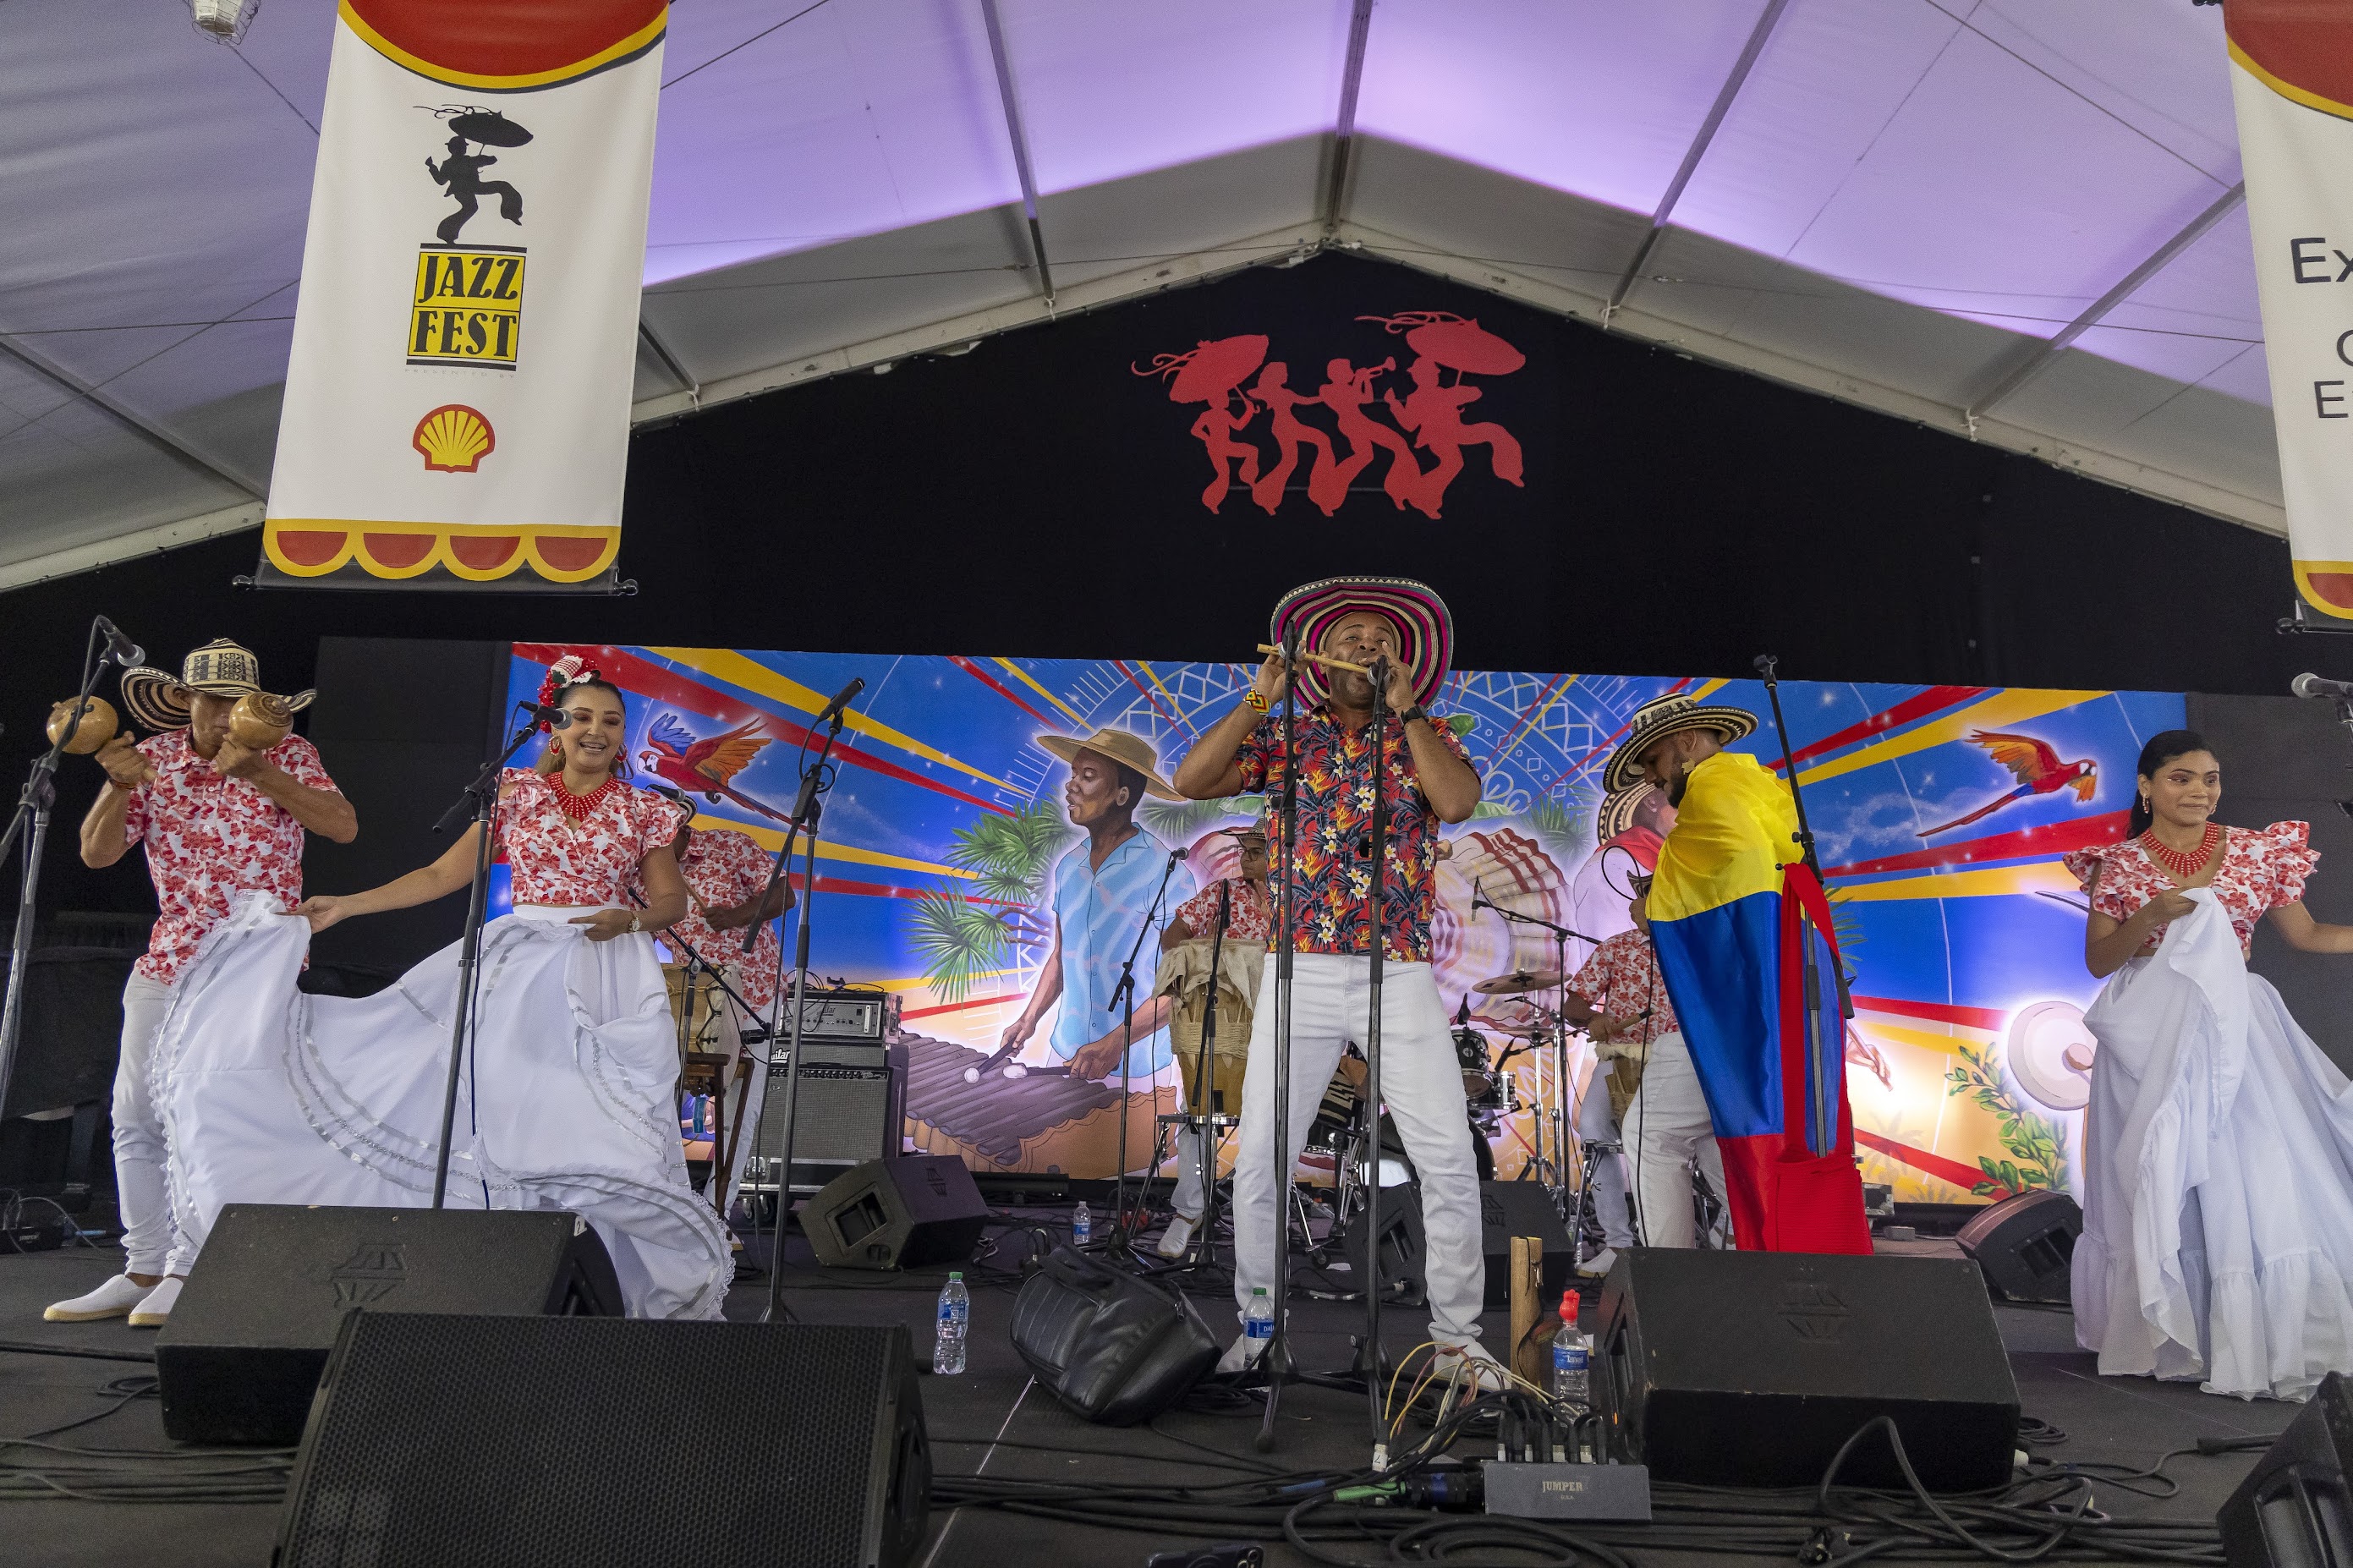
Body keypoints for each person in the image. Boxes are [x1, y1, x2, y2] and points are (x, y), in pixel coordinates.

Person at [136, 656, 731, 1320]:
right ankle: (516, 1280)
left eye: (611, 721)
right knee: (506, 1116)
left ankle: (618, 1287)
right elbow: (439, 875)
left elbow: (672, 904)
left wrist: (634, 919)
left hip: (605, 969)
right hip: (520, 970)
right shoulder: (513, 794)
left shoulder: (644, 809)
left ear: (624, 735)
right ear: (554, 730)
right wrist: (348, 906)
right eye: (581, 717)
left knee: (603, 1127)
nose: (596, 730)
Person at [1172, 577, 1495, 1381]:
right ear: (1320, 659)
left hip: (1400, 973)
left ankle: (1458, 1340)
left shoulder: (1430, 735)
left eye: (1378, 637)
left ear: (1403, 659)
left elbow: (1455, 804)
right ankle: (1257, 1328)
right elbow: (1191, 780)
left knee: (1448, 1157)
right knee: (1263, 1158)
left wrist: (1410, 709)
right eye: (1348, 636)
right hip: (1302, 967)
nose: (1363, 644)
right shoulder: (1289, 737)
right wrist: (1259, 697)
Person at [43, 641, 355, 1329]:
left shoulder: (289, 755)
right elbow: (96, 855)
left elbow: (341, 826)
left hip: (257, 956)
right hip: (173, 952)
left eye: (235, 703)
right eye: (210, 701)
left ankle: (192, 1264)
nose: (222, 716)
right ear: (186, 700)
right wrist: (121, 785)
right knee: (134, 1109)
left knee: (208, 1107)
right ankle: (143, 1264)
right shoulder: (153, 758)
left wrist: (263, 775)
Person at [2063, 730, 2353, 1401]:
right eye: (2181, 778)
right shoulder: (2119, 864)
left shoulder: (2255, 851)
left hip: (2234, 1025)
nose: (2199, 791)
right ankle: (2164, 1330)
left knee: (2246, 1170)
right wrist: (2149, 916)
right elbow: (2102, 962)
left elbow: (2305, 934)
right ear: (2146, 786)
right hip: (2148, 1030)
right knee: (2154, 1174)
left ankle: (2252, 1335)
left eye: (2210, 779)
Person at [1613, 692, 1869, 1256]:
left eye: (1654, 764)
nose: (1655, 781)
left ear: (1684, 744)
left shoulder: (1713, 792)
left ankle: (1672, 1279)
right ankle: (1756, 1254)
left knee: (1649, 1132)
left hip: (1745, 1010)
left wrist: (1653, 906)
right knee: (1729, 1136)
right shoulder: (1757, 787)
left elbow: (1735, 886)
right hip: (1780, 993)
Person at [987, 728, 1192, 1085]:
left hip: (1136, 1070)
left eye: (1088, 776)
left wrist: (1116, 1042)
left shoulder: (1166, 871)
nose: (1071, 785)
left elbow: (1184, 983)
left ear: (1122, 795)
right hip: (1066, 1053)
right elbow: (1062, 957)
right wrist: (1029, 1018)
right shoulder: (1068, 868)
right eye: (1073, 774)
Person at [638, 791, 793, 1225]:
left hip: (756, 995)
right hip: (694, 1003)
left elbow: (784, 896)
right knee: (663, 1099)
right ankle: (665, 1202)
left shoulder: (732, 845)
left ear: (684, 828)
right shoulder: (641, 874)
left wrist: (738, 915)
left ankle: (715, 1209)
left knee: (742, 1106)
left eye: (662, 832)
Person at [1563, 874, 1722, 1259]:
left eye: (1639, 897)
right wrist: (1592, 1020)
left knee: (1707, 1144)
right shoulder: (1616, 947)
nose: (1632, 905)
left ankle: (1724, 1236)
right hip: (1621, 1058)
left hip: (1685, 1061)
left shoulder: (1698, 947)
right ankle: (1617, 1240)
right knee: (1593, 1127)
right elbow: (1574, 1005)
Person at [1147, 824, 1274, 1258]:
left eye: (1256, 851)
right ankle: (1188, 1213)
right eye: (1243, 851)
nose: (1245, 859)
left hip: (1281, 1024)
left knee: (1275, 1120)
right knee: (1199, 1116)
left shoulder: (1300, 903)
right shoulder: (1222, 894)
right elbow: (1173, 935)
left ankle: (1261, 1224)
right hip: (1220, 1025)